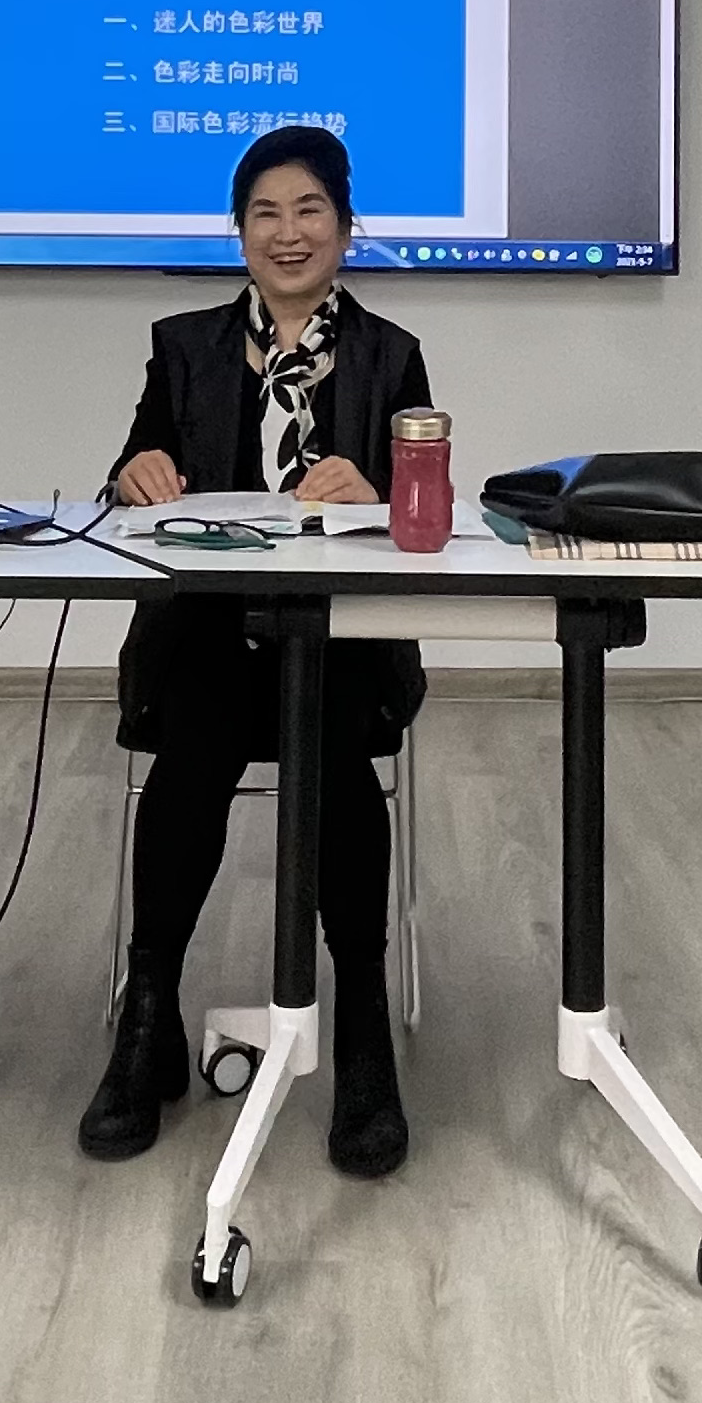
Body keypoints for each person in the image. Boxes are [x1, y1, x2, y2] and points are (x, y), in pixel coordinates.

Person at [79, 125, 432, 1177]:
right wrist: (134, 472)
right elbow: (129, 472)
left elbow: (425, 512)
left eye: (309, 209)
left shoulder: (391, 355)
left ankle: (360, 1027)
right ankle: (148, 1015)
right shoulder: (182, 346)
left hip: (340, 640)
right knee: (196, 744)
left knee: (330, 750)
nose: (288, 232)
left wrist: (378, 492)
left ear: (346, 228)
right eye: (265, 213)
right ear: (238, 233)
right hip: (204, 634)